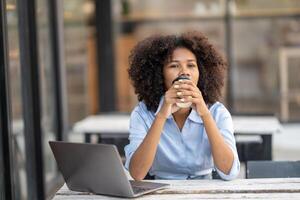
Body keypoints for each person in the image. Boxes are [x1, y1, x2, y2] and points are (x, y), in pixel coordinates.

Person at [124, 31, 240, 181]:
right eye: (174, 65)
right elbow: (137, 174)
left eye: (191, 65)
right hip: (162, 191)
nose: (184, 72)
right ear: (159, 74)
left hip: (206, 191)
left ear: (201, 72)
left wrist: (205, 114)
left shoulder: (217, 112)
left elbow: (229, 172)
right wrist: (161, 115)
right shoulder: (142, 113)